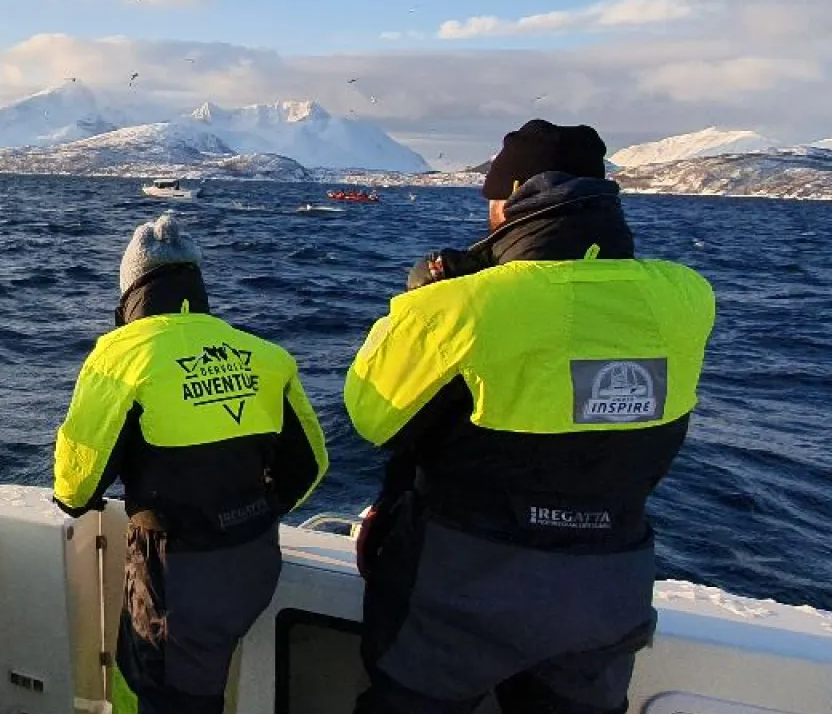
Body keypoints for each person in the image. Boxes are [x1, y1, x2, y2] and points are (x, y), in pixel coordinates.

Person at [346, 120, 716, 714]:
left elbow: (374, 417)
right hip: (609, 585)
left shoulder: (457, 306)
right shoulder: (687, 294)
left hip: (463, 587)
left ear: (510, 201)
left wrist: (421, 304)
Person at [52, 213, 328, 714]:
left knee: (161, 693)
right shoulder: (265, 354)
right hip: (254, 564)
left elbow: (76, 488)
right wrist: (252, 513)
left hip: (176, 581)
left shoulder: (120, 355)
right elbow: (310, 464)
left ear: (130, 288)